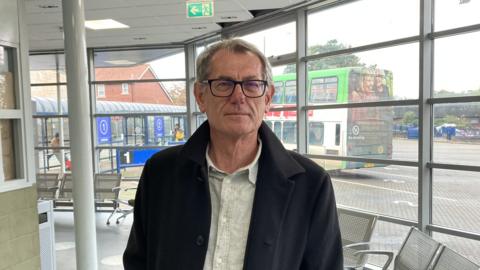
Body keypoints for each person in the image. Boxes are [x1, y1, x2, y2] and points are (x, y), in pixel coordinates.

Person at [123, 39, 343, 270]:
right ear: (200, 96)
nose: (238, 97)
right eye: (224, 84)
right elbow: (138, 261)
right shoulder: (160, 173)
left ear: (267, 98)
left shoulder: (310, 184)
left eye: (252, 85)